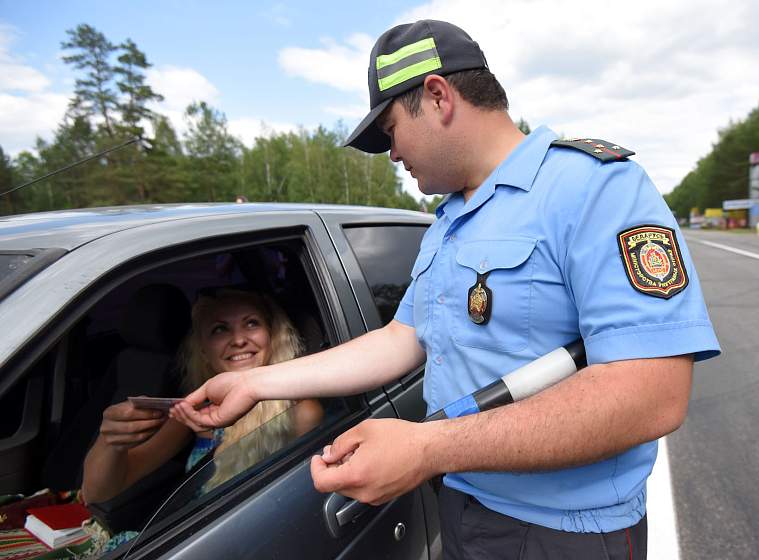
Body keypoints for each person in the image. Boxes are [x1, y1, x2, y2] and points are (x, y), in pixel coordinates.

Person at [172, 20, 720, 559]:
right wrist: (259, 383)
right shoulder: (449, 219)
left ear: (438, 97)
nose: (391, 154)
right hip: (461, 503)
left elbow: (652, 394)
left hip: (565, 532)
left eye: (389, 132)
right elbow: (401, 338)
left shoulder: (595, 187)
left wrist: (428, 447)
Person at [82, 288, 323, 505]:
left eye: (251, 323)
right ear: (204, 352)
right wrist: (110, 443)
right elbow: (98, 493)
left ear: (271, 337)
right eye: (220, 329)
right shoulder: (197, 411)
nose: (239, 340)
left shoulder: (301, 412)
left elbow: (302, 502)